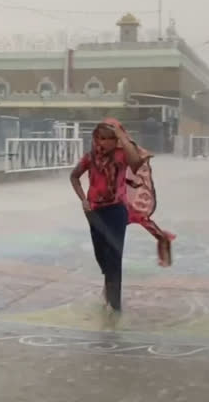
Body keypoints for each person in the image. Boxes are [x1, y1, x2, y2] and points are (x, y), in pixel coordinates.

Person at [70, 118, 175, 314]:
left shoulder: (121, 156)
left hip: (116, 210)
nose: (103, 142)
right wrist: (83, 199)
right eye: (100, 138)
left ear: (116, 139)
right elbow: (74, 176)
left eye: (109, 138)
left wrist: (122, 138)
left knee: (114, 258)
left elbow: (135, 163)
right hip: (93, 212)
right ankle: (108, 283)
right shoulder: (90, 157)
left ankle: (114, 307)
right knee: (101, 256)